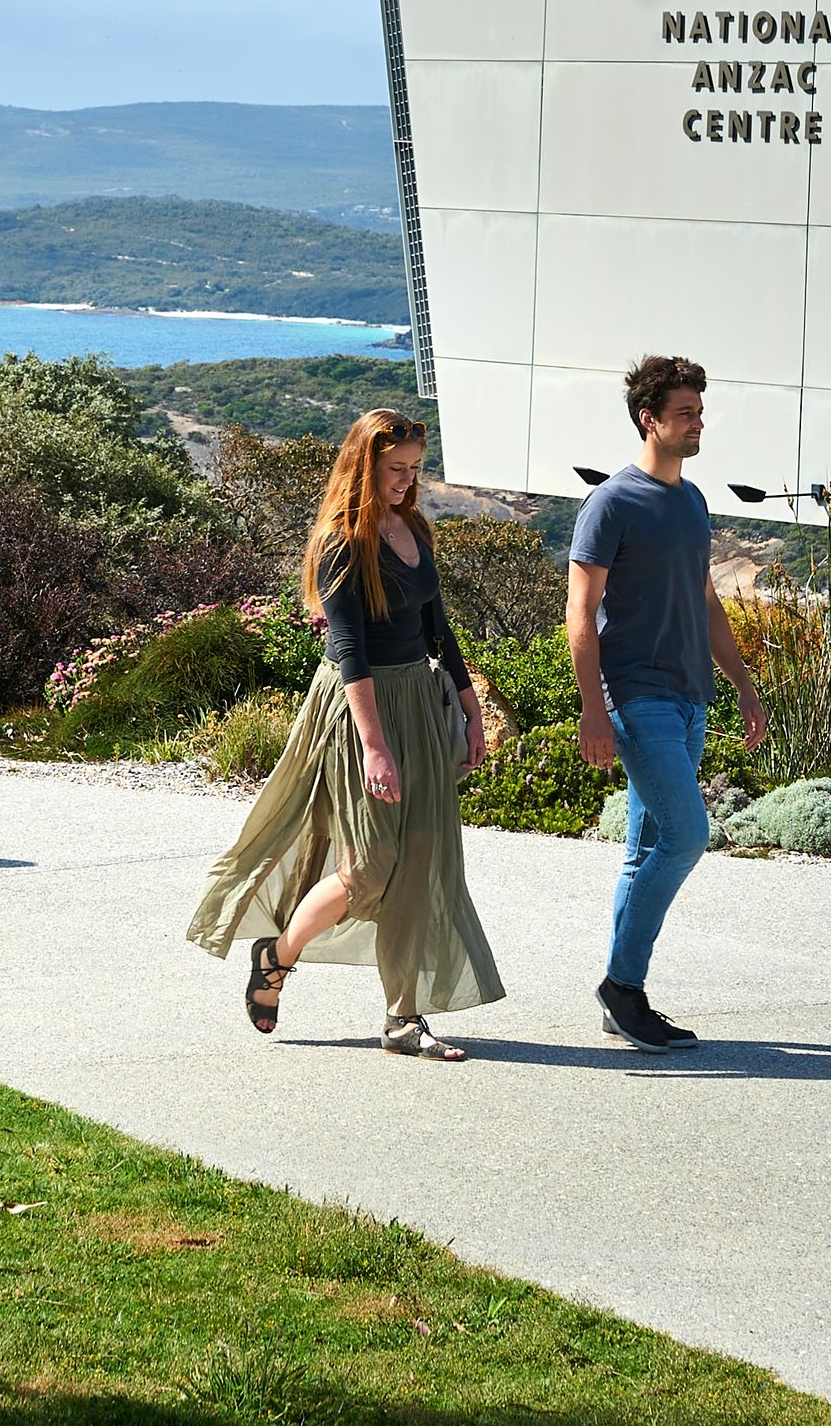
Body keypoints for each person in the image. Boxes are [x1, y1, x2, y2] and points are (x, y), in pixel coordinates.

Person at [190, 408, 503, 1058]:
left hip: (418, 696)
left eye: (415, 469)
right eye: (396, 469)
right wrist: (374, 744)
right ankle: (275, 956)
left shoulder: (413, 526)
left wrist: (472, 708)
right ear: (365, 464)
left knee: (418, 863)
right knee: (368, 869)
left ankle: (402, 1021)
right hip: (360, 709)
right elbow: (351, 650)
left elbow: (437, 626)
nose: (406, 481)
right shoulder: (340, 541)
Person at [569, 352, 769, 1051]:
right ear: (649, 419)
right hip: (637, 696)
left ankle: (621, 997)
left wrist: (743, 683)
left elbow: (706, 600)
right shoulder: (612, 502)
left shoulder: (691, 500)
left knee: (646, 848)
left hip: (689, 699)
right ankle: (623, 987)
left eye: (700, 411)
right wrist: (594, 708)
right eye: (686, 411)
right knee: (688, 836)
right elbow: (580, 610)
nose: (698, 421)